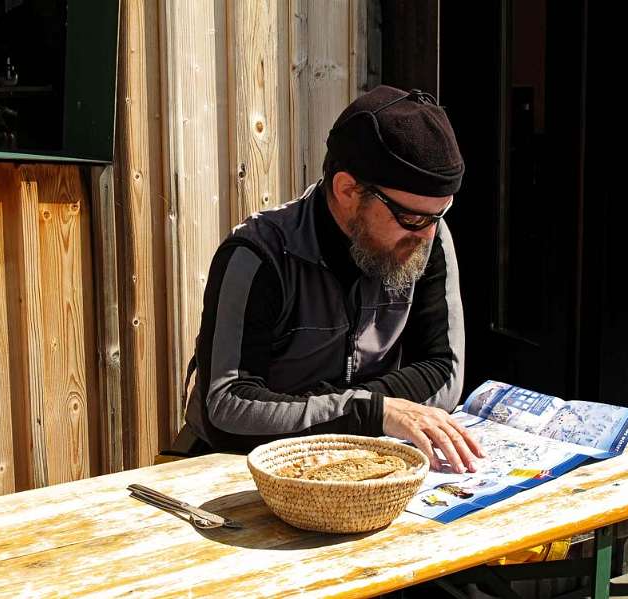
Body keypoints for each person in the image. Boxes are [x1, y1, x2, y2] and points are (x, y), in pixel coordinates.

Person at [182, 85, 485, 473]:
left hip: (358, 465)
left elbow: (444, 372)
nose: (426, 235)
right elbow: (228, 410)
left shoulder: (430, 238)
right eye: (412, 218)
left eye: (440, 214)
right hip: (230, 471)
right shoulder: (257, 256)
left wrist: (363, 412)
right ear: (347, 190)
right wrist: (371, 413)